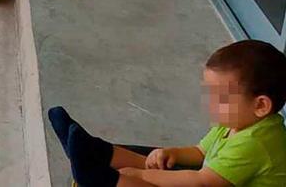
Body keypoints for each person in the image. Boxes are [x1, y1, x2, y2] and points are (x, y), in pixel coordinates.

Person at [48, 40, 286, 186]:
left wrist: (141, 176)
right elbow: (200, 152)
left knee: (156, 180)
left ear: (260, 106)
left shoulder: (257, 142)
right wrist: (171, 152)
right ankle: (95, 151)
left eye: (220, 98)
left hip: (208, 182)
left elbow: (202, 182)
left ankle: (103, 180)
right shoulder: (237, 121)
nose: (210, 104)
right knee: (155, 159)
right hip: (211, 178)